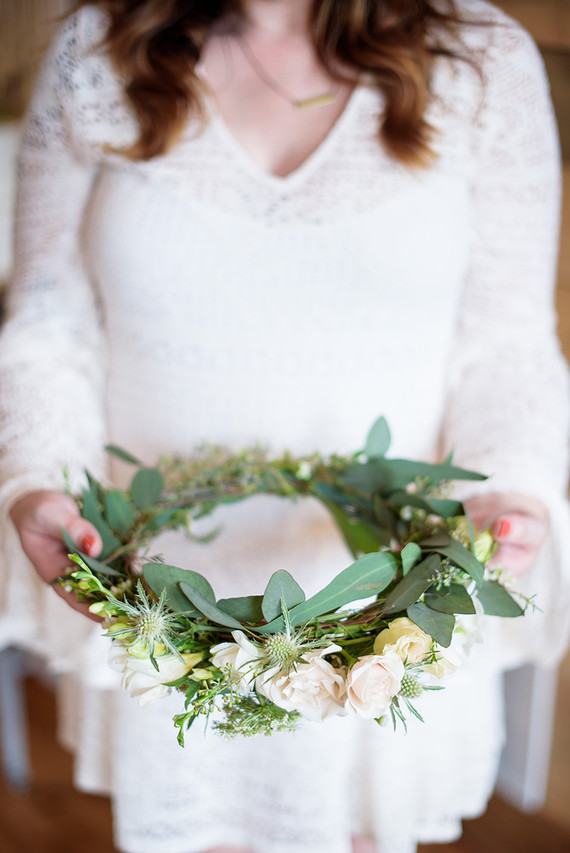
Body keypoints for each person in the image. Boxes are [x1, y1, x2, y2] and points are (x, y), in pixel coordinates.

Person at [1, 1, 569, 851]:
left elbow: (507, 341)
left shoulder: (479, 59)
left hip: (390, 604)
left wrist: (510, 486)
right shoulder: (100, 50)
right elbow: (48, 320)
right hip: (159, 595)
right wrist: (37, 475)